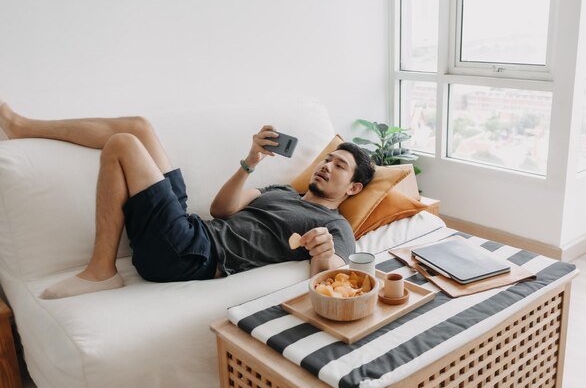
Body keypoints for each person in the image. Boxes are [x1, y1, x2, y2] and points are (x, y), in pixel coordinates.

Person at [0, 99, 376, 299]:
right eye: (327, 158)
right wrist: (251, 161)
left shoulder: (335, 225)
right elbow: (221, 209)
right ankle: (22, 127)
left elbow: (335, 280)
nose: (326, 165)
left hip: (192, 256)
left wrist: (324, 252)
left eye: (339, 166)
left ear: (353, 189)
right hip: (191, 231)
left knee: (122, 145)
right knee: (137, 128)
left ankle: (101, 272)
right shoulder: (283, 192)